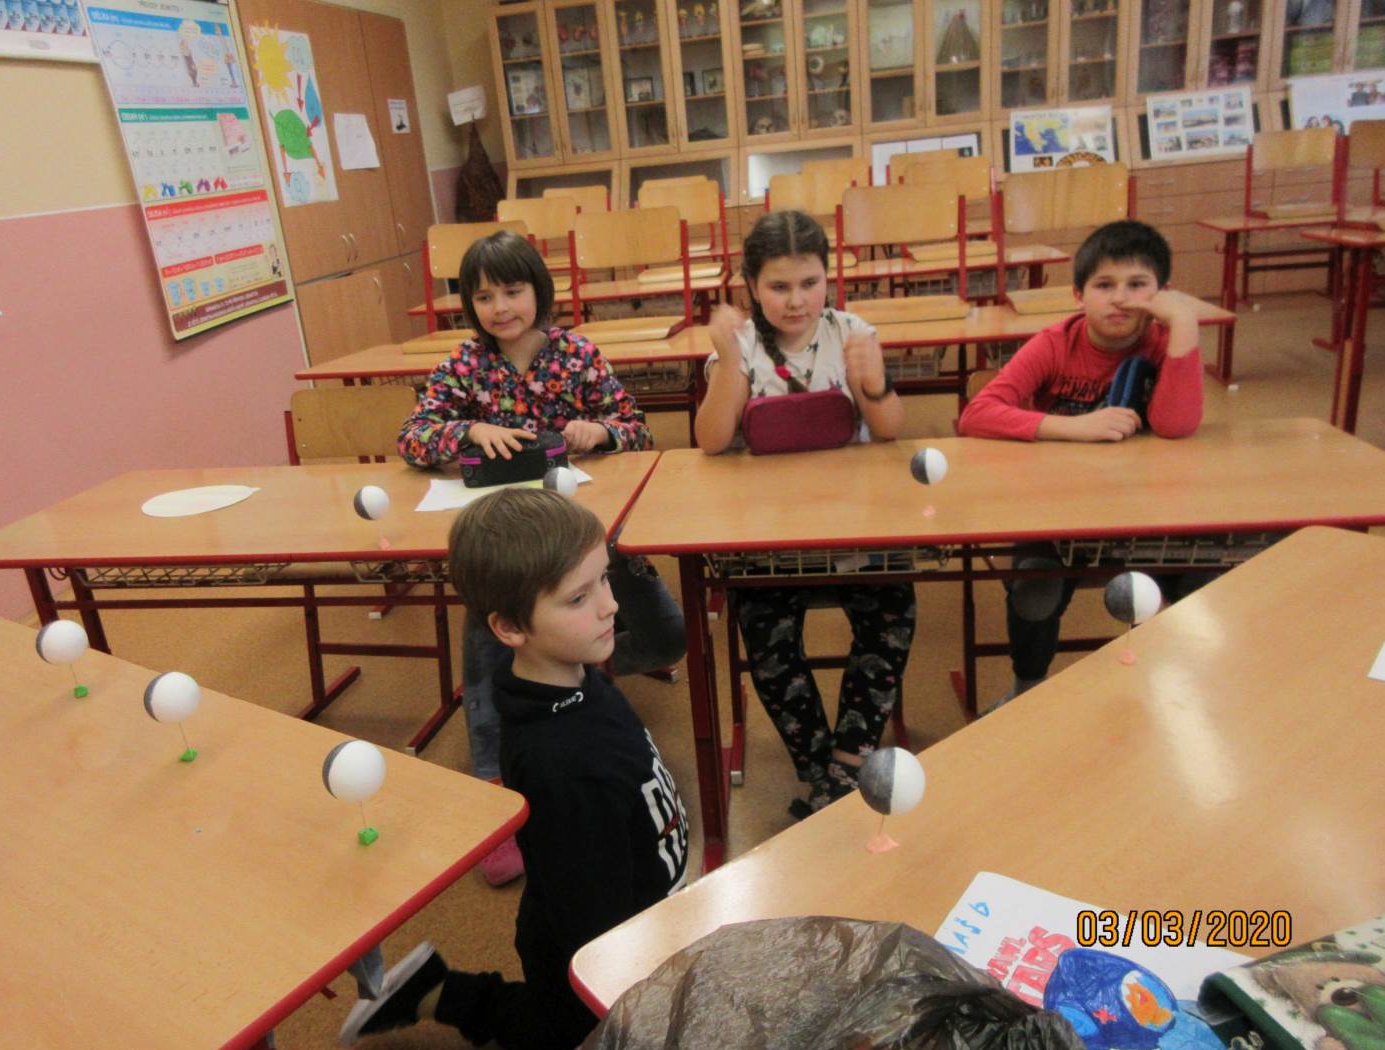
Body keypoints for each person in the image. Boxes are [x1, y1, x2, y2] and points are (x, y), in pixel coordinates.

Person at [338, 489, 688, 1050]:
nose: (610, 607)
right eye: (579, 597)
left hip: (640, 920)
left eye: (604, 579)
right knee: (563, 1038)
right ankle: (434, 991)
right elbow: (589, 925)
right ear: (508, 627)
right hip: (594, 954)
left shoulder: (575, 674)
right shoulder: (562, 759)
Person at [398, 230, 684, 885]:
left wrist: (600, 431)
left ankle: (577, 664)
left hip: (591, 538)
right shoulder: (465, 364)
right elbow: (413, 436)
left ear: (539, 291)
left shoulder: (577, 355)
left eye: (513, 291)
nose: (500, 307)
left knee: (668, 634)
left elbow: (637, 428)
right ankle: (494, 788)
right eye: (484, 297)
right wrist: (469, 429)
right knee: (486, 644)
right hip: (509, 548)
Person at [693, 209, 917, 819]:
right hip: (769, 538)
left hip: (853, 527)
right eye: (778, 286)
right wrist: (729, 364)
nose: (796, 300)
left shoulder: (852, 332)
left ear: (828, 278)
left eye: (809, 283)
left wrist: (874, 385)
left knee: (893, 608)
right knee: (763, 625)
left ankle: (849, 760)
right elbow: (712, 441)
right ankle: (818, 767)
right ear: (750, 286)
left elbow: (890, 431)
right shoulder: (741, 345)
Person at [957, 219, 1205, 711]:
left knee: (1206, 578)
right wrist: (1074, 426)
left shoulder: (1163, 342)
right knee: (1035, 589)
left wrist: (1184, 325)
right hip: (1057, 512)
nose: (1120, 299)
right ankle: (1027, 688)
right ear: (1078, 294)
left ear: (1161, 293)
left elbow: (1176, 425)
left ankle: (1182, 687)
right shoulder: (1056, 344)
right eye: (1104, 285)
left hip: (1143, 511)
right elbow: (977, 414)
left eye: (1137, 285)